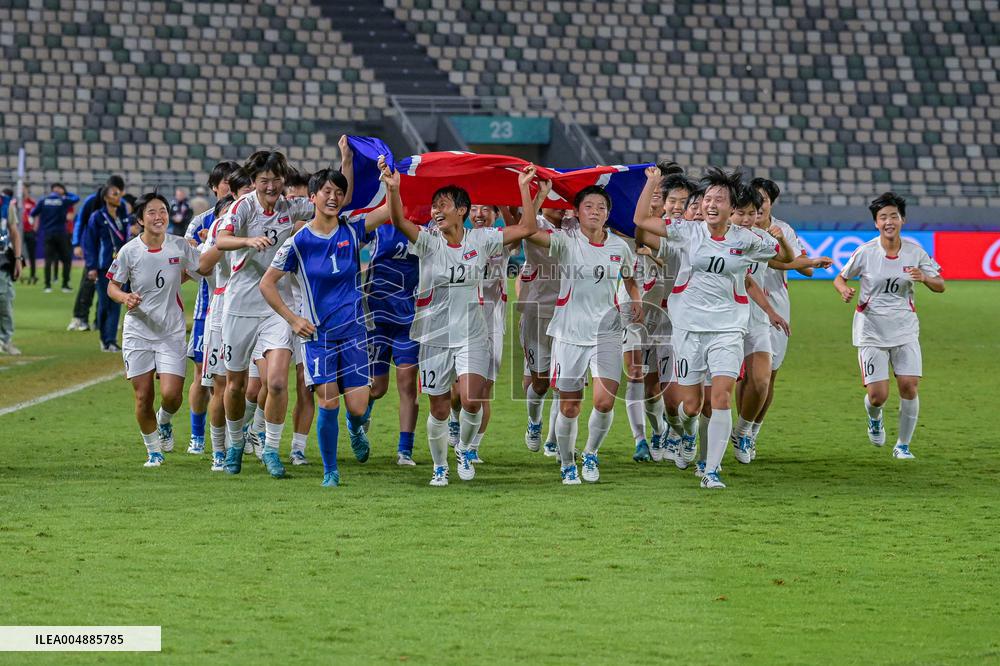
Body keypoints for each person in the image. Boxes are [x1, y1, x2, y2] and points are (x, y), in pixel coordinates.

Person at [634, 166, 795, 489]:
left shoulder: (746, 238)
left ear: (730, 205)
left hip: (728, 329)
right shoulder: (686, 231)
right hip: (688, 328)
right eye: (708, 198)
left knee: (720, 398)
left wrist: (782, 244)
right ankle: (688, 436)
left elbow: (784, 257)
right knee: (690, 407)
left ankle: (710, 469)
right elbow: (642, 222)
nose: (711, 204)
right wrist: (652, 182)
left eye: (719, 199)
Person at [381, 157, 538, 487]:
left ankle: (465, 449)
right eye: (435, 206)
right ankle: (440, 465)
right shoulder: (427, 240)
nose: (436, 211)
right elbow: (397, 220)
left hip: (472, 333)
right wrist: (392, 190)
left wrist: (523, 190)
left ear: (462, 211)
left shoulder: (480, 240)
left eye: (444, 205)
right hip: (434, 337)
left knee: (471, 398)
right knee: (439, 408)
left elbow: (526, 229)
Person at [261, 167, 390, 487]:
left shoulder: (353, 228)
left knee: (359, 405)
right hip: (318, 336)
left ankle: (355, 423)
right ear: (313, 197)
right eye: (326, 192)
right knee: (327, 401)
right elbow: (267, 284)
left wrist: (393, 186)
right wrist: (294, 319)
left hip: (354, 332)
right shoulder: (298, 243)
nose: (333, 198)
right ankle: (331, 471)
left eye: (338, 193)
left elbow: (389, 212)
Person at [523, 185, 640, 484]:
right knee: (570, 406)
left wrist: (635, 301)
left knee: (604, 401)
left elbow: (630, 279)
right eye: (588, 206)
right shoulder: (565, 242)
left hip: (607, 333)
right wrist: (530, 192)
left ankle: (590, 453)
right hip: (569, 333)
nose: (595, 212)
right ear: (577, 212)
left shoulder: (619, 247)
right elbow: (526, 229)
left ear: (608, 214)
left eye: (601, 207)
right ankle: (566, 463)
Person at [213, 151, 315, 478]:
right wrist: (247, 239)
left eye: (276, 180)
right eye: (264, 180)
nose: (270, 186)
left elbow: (336, 202)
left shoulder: (291, 207)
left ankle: (271, 448)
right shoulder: (243, 207)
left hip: (276, 305)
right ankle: (234, 445)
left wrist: (347, 162)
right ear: (254, 182)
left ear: (283, 180)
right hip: (241, 304)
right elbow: (221, 238)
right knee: (236, 383)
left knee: (277, 383)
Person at [834, 192, 944, 460]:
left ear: (902, 219)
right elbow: (840, 277)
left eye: (893, 216)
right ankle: (875, 418)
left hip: (905, 329)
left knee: (909, 386)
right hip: (871, 330)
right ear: (876, 223)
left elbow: (941, 284)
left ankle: (903, 445)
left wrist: (924, 279)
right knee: (877, 396)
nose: (888, 221)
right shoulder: (866, 251)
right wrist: (844, 290)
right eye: (883, 217)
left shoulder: (915, 252)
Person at [106, 192, 201, 467]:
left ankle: (165, 420)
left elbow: (201, 269)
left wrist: (207, 246)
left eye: (163, 211)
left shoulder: (180, 246)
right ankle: (154, 452)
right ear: (140, 219)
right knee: (143, 395)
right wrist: (125, 297)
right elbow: (112, 286)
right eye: (152, 212)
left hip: (171, 331)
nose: (159, 216)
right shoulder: (129, 251)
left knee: (172, 395)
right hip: (138, 331)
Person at [198, 168, 254, 471]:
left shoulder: (269, 220)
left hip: (262, 306)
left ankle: (252, 433)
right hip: (223, 307)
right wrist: (228, 240)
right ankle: (221, 449)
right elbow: (203, 266)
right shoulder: (224, 223)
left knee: (262, 384)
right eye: (244, 192)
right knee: (223, 385)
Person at [182, 161, 239, 455]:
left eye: (235, 182)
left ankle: (235, 436)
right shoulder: (202, 220)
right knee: (202, 379)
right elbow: (191, 257)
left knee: (232, 380)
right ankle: (196, 435)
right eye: (225, 182)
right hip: (209, 308)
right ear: (215, 186)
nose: (230, 187)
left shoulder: (244, 216)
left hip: (239, 306)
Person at [519, 182, 576, 457]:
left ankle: (554, 439)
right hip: (538, 314)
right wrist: (538, 195)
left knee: (563, 382)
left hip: (569, 315)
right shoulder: (536, 221)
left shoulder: (577, 227)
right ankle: (534, 421)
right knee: (540, 383)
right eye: (556, 199)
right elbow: (523, 226)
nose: (562, 205)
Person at [364, 202, 421, 466]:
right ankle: (361, 417)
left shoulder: (424, 227)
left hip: (410, 318)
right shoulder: (376, 226)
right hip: (377, 317)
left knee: (408, 385)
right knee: (377, 388)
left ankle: (404, 450)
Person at [70, 176, 127, 330]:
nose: (118, 195)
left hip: (112, 255)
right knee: (88, 283)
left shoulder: (121, 206)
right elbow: (80, 221)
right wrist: (76, 243)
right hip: (94, 250)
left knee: (108, 288)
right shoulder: (92, 201)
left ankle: (99, 321)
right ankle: (79, 318)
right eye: (116, 192)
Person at [81, 180, 128, 351]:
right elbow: (90, 243)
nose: (119, 197)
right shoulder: (97, 217)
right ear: (106, 197)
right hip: (103, 266)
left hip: (120, 265)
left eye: (119, 193)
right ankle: (103, 336)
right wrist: (91, 266)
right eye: (115, 194)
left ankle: (111, 340)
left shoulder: (122, 216)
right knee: (104, 303)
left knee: (116, 302)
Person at [30, 183, 79, 293]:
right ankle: (65, 285)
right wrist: (66, 193)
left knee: (48, 260)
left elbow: (33, 213)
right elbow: (76, 198)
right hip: (61, 233)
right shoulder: (63, 200)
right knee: (66, 259)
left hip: (48, 234)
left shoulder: (43, 200)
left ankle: (47, 285)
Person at [0, 192, 23, 355]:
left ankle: (5, 340)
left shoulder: (6, 204)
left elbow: (14, 232)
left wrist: (17, 258)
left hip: (3, 258)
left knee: (5, 300)